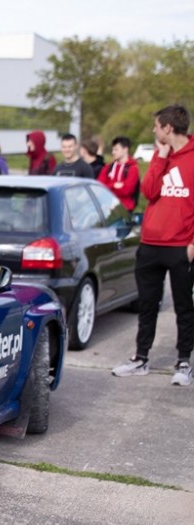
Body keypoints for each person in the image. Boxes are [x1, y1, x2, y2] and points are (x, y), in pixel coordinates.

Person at [112, 104, 194, 386]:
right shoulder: (161, 157)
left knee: (184, 307)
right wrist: (160, 156)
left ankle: (184, 362)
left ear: (168, 128)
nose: (153, 130)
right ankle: (141, 358)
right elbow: (149, 191)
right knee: (147, 305)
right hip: (150, 244)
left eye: (157, 126)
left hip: (181, 246)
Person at [97, 136, 141, 213]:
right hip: (107, 208)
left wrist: (108, 187)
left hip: (125, 209)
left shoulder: (133, 169)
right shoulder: (107, 168)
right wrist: (114, 185)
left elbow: (127, 191)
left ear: (125, 149)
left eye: (116, 149)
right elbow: (100, 187)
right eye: (112, 149)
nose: (113, 152)